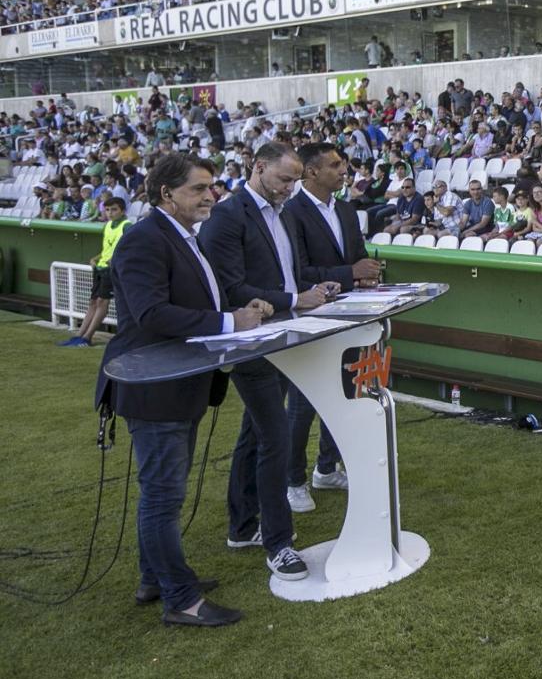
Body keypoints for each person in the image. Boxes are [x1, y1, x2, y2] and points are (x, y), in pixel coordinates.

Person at [97, 153, 270, 627]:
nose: (210, 195)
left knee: (160, 492)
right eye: (199, 188)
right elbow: (152, 314)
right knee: (162, 496)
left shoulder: (181, 237)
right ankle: (181, 599)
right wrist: (229, 321)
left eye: (211, 187)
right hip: (155, 389)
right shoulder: (142, 241)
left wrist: (238, 309)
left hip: (180, 385)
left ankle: (154, 578)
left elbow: (194, 301)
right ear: (166, 194)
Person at [199, 143, 336, 583]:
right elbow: (230, 286)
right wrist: (295, 299)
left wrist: (320, 286)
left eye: (295, 180)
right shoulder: (228, 214)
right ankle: (279, 543)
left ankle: (242, 527)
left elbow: (290, 273)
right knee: (274, 436)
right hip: (253, 340)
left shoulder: (284, 211)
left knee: (255, 433)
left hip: (282, 334)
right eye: (283, 179)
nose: (290, 188)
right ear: (258, 168)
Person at [282, 144, 382, 513]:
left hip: (349, 317)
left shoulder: (345, 209)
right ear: (310, 172)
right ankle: (292, 480)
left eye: (343, 164)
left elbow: (354, 257)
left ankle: (326, 467)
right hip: (310, 321)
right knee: (303, 404)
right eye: (335, 165)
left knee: (344, 394)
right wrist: (350, 273)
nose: (344, 171)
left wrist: (366, 273)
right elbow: (296, 272)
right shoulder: (290, 213)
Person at [59, 197, 131, 348]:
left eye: (114, 209)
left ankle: (87, 337)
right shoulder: (108, 225)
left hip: (112, 270)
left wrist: (115, 259)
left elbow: (131, 248)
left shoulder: (127, 226)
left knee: (102, 302)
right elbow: (107, 249)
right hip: (100, 268)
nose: (110, 213)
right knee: (92, 302)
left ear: (122, 211)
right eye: (107, 210)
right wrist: (96, 258)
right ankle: (79, 336)